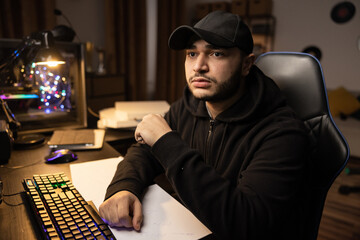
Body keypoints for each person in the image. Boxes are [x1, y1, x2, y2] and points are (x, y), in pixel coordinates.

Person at [99, 10, 310, 240]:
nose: (199, 66)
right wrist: (123, 187)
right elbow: (144, 151)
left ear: (246, 64)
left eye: (216, 53)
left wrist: (167, 143)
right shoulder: (188, 106)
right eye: (192, 53)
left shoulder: (283, 133)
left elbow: (246, 223)